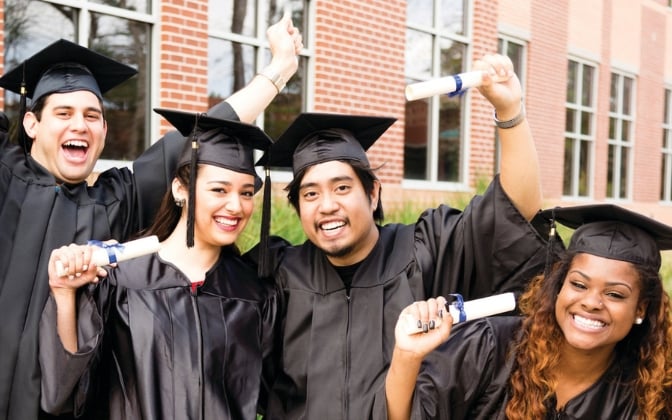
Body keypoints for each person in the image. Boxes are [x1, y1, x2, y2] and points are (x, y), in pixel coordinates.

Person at [0, 16, 301, 420]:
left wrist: (279, 69)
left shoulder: (115, 200)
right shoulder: (4, 177)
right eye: (64, 112)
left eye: (92, 115)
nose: (80, 125)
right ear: (31, 123)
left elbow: (200, 133)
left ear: (105, 130)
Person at [253, 53, 551, 418]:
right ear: (298, 207)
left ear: (373, 193)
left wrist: (510, 113)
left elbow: (512, 213)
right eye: (310, 194)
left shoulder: (427, 248)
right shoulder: (278, 274)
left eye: (342, 188)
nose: (326, 205)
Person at [39, 109, 280, 419]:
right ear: (180, 188)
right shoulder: (120, 278)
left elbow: (273, 396)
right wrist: (63, 295)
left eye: (246, 193)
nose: (236, 206)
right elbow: (62, 394)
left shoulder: (254, 292)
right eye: (219, 189)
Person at [383, 203, 672, 420]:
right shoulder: (489, 348)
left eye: (614, 294)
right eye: (579, 285)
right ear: (559, 287)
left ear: (641, 308)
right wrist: (406, 356)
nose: (592, 302)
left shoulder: (648, 393)